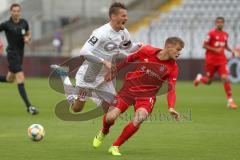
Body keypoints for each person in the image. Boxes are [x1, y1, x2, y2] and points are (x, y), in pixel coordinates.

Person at [92, 37, 184, 156]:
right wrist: (114, 70)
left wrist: (171, 107)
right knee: (110, 118)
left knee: (141, 117)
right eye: (177, 49)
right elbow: (128, 59)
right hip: (128, 90)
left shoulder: (173, 67)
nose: (179, 53)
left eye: (180, 50)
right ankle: (104, 132)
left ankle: (115, 146)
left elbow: (172, 89)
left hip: (147, 97)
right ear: (168, 47)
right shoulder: (147, 51)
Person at [51, 2, 141, 112]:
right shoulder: (101, 33)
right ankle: (64, 77)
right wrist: (104, 62)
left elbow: (129, 48)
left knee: (113, 109)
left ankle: (103, 129)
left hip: (104, 77)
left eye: (126, 16)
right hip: (89, 76)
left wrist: (140, 46)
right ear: (113, 16)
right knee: (76, 108)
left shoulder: (124, 33)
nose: (126, 18)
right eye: (123, 16)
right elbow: (84, 51)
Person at [0, 3, 38, 115]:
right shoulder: (6, 24)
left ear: (20, 12)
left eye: (18, 11)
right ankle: (29, 107)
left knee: (10, 79)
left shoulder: (24, 23)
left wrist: (28, 38)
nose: (16, 13)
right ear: (11, 12)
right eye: (14, 11)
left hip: (20, 54)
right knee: (20, 77)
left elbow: (28, 33)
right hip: (12, 54)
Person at [194, 17, 237, 109]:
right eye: (218, 22)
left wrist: (231, 50)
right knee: (209, 81)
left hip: (222, 60)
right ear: (216, 23)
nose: (220, 24)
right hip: (211, 60)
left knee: (225, 78)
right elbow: (204, 45)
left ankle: (230, 100)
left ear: (223, 23)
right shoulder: (211, 34)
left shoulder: (226, 34)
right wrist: (215, 49)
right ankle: (200, 78)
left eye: (221, 22)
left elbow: (225, 46)